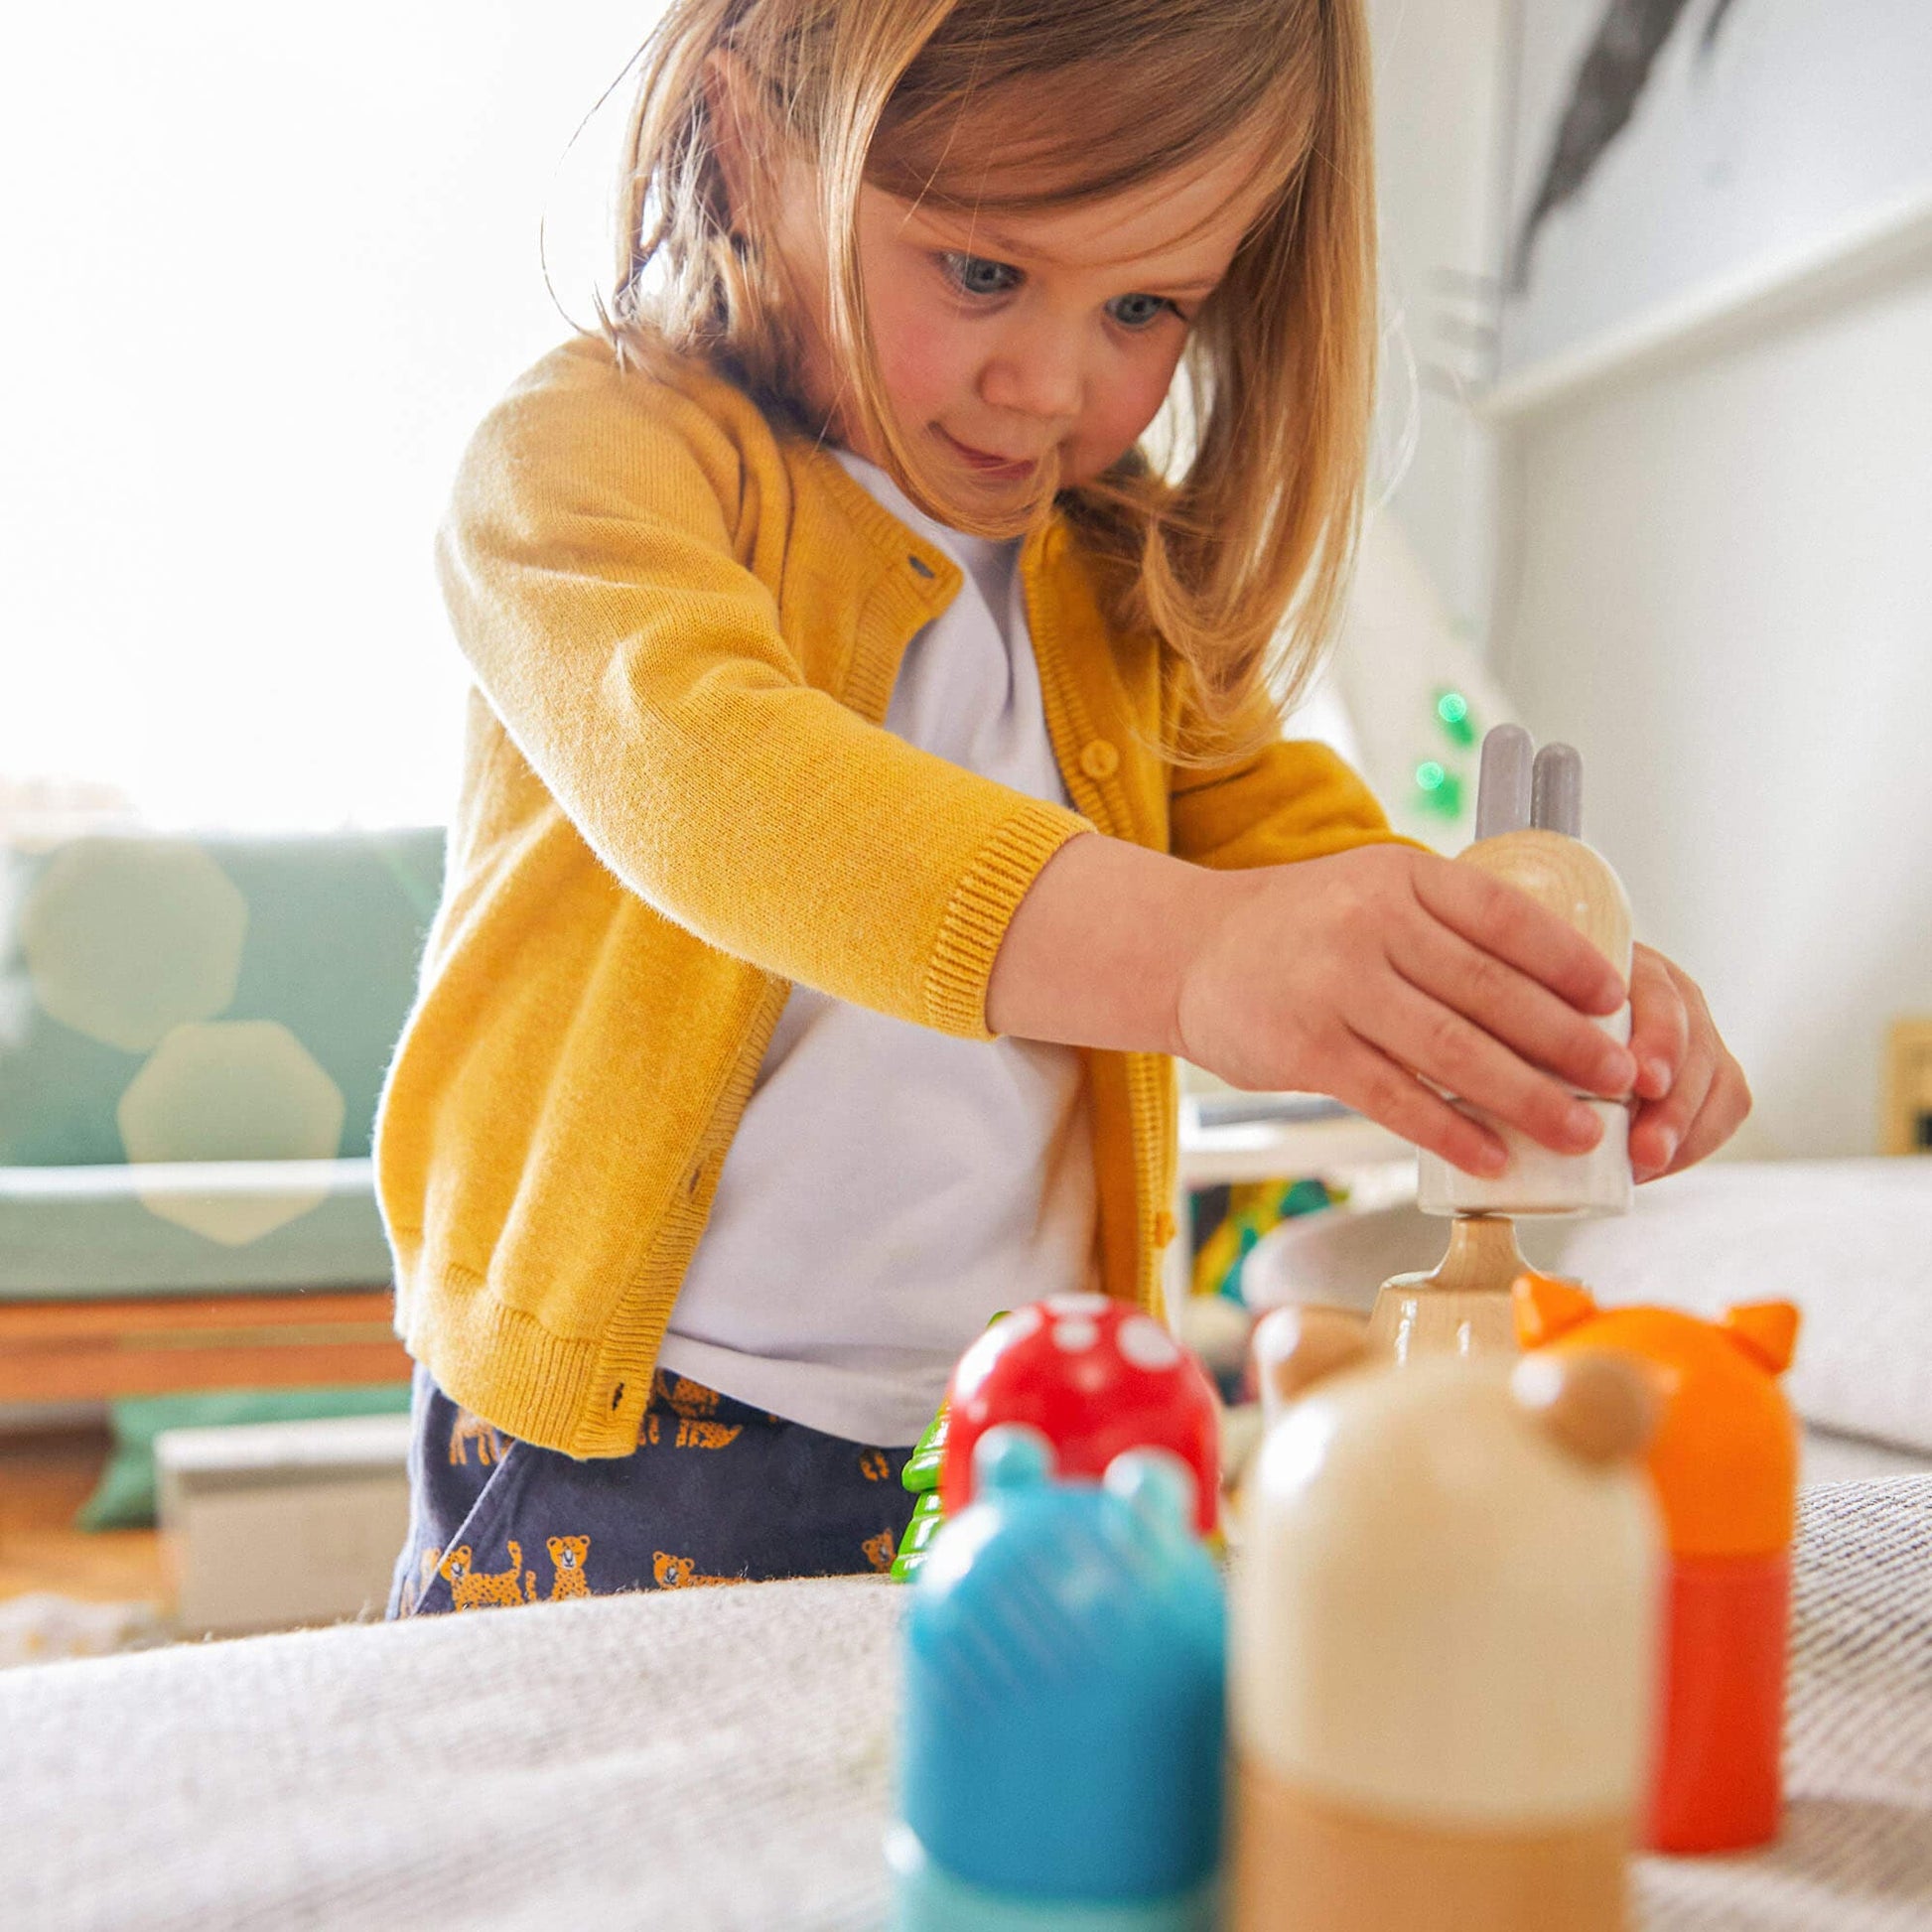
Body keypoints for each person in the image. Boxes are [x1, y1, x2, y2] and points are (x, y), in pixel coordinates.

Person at [379, 0, 1749, 1616]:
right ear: (751, 148)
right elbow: (714, 780)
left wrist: (1527, 989)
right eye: (980, 272)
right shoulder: (587, 463)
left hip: (1027, 1413)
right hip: (639, 1421)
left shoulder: (1114, 564)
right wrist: (1186, 956)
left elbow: (1295, 844)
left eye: (1146, 305)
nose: (1052, 383)